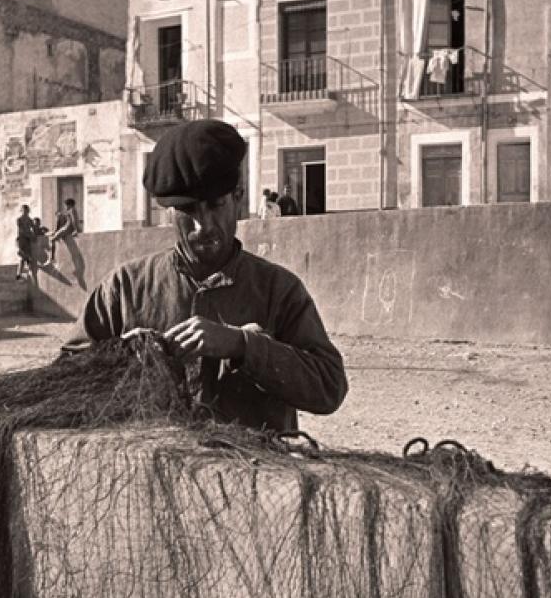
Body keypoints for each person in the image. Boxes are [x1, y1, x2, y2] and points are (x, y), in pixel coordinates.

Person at [63, 119, 348, 431]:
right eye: (188, 212)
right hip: (152, 472)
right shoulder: (124, 288)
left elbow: (329, 388)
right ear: (167, 213)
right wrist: (123, 355)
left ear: (238, 199)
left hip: (256, 474)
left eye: (215, 206)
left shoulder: (278, 289)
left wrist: (244, 346)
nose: (204, 226)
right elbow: (63, 377)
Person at [50, 198, 80, 264]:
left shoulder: (71, 210)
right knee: (54, 235)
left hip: (67, 229)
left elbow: (74, 221)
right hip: (66, 228)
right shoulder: (72, 210)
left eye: (66, 205)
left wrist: (75, 230)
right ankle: (52, 258)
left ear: (69, 205)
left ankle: (52, 258)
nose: (65, 207)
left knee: (52, 240)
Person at [15, 204, 36, 280]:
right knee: (23, 257)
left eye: (26, 210)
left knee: (27, 258)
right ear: (22, 211)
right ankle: (19, 274)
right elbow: (21, 230)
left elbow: (33, 229)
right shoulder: (19, 220)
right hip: (21, 239)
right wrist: (30, 235)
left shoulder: (30, 220)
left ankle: (24, 274)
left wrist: (33, 235)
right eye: (23, 210)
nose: (25, 212)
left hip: (27, 241)